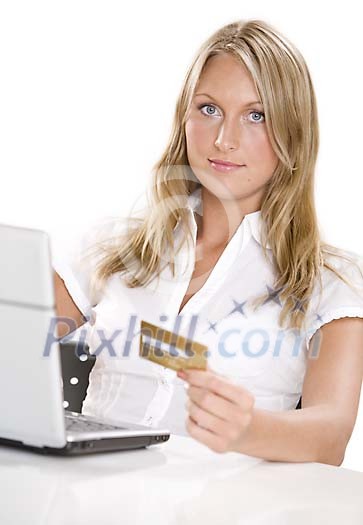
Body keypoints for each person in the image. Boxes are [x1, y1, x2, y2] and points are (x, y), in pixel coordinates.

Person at [53, 18, 363, 465]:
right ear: (184, 117)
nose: (224, 139)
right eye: (209, 109)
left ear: (293, 133)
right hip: (83, 499)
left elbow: (330, 436)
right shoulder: (114, 248)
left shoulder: (333, 282)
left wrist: (251, 429)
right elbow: (19, 334)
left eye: (256, 116)